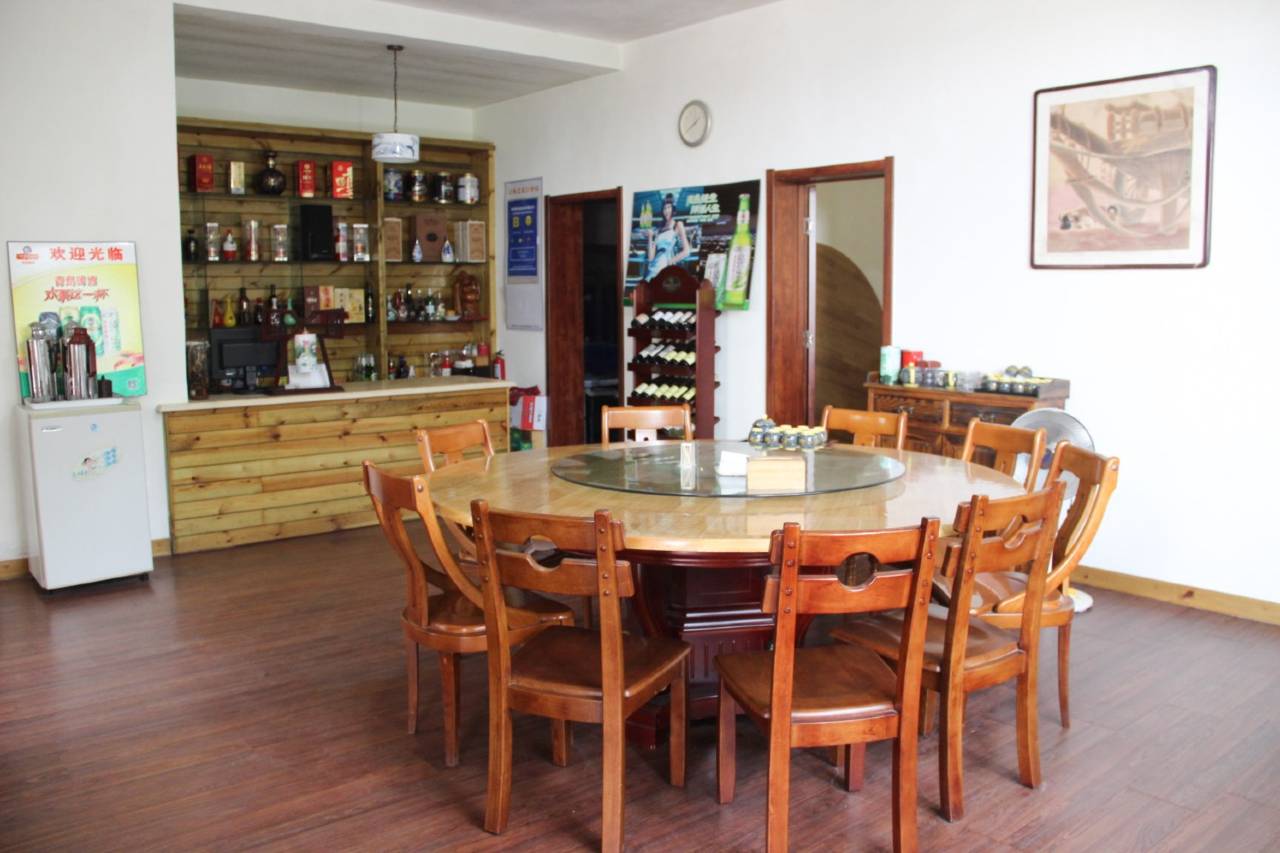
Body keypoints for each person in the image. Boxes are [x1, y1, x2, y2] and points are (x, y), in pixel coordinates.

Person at [646, 193, 691, 278]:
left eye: (669, 207)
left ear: (673, 209)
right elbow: (651, 258)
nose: (666, 210)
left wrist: (671, 261)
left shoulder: (677, 225)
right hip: (654, 267)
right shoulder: (659, 229)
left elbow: (687, 251)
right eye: (664, 208)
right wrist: (650, 237)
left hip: (666, 267)